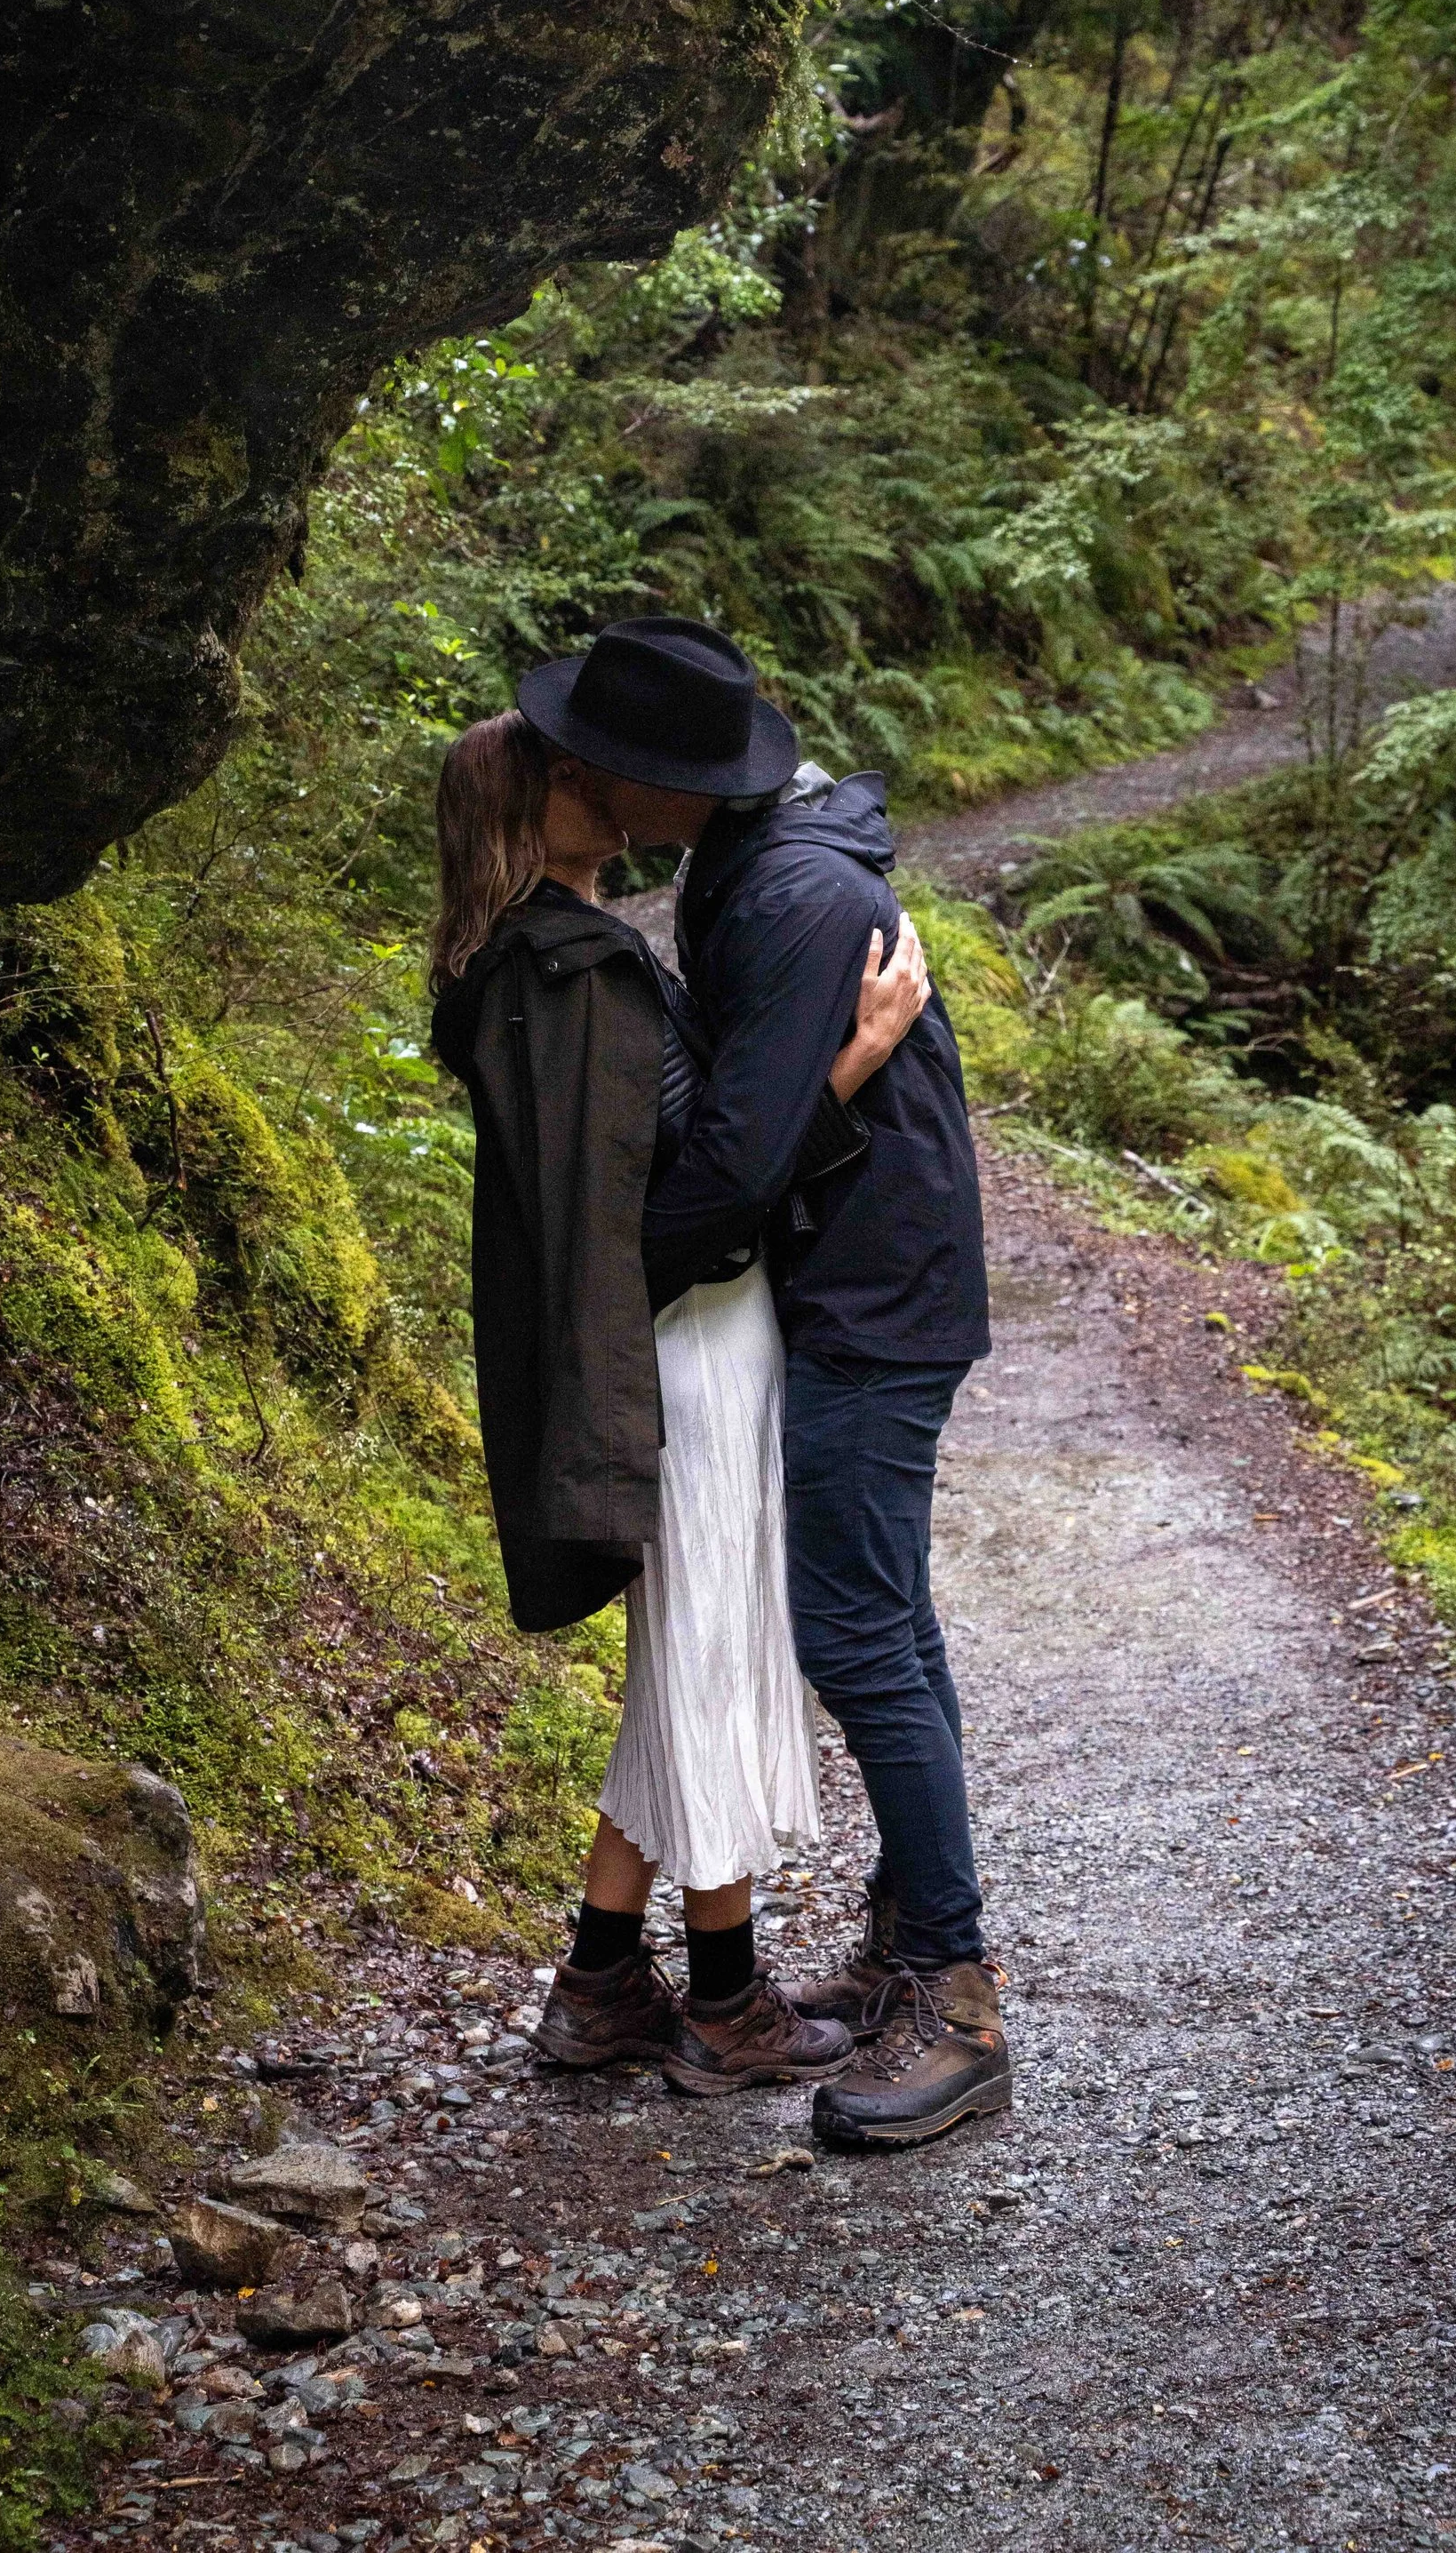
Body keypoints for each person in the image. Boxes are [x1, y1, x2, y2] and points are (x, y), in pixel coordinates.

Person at [513, 614, 1006, 2150]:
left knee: (855, 1630)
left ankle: (960, 1991)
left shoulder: (787, 897)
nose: (581, 771)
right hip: (857, 1279)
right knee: (888, 1616)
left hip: (872, 1296)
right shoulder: (735, 869)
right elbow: (762, 1115)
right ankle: (909, 1936)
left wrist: (599, 1270)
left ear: (663, 779)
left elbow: (731, 1159)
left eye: (603, 757)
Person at [430, 706, 931, 2093]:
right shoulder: (572, 973)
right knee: (706, 1649)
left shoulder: (540, 960)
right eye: (569, 776)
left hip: (685, 1338)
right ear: (529, 816)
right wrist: (853, 1066)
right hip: (685, 1345)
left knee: (681, 1658)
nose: (604, 780)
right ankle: (723, 2002)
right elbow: (662, 1210)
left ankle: (600, 1981)